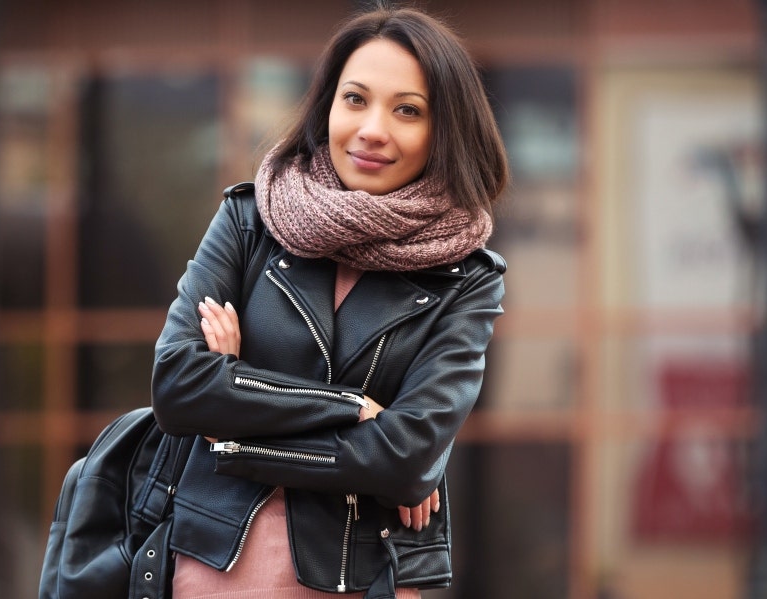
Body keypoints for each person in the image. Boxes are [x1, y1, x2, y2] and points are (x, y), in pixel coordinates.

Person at [150, 5, 508, 598]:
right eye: (355, 99)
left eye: (407, 110)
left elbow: (405, 454)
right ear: (328, 107)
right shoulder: (250, 222)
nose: (372, 129)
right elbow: (178, 385)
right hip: (209, 571)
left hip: (363, 580)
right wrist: (354, 409)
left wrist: (234, 423)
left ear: (444, 131)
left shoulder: (465, 277)